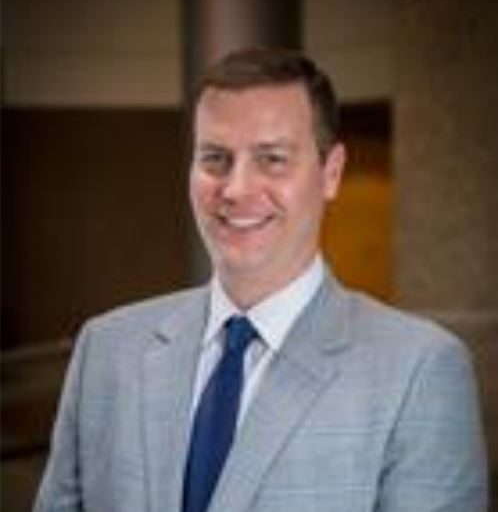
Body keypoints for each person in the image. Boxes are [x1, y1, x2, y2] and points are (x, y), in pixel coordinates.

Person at [34, 48, 487, 512]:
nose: (235, 190)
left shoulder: (419, 373)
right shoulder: (107, 350)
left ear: (331, 173)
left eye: (272, 159)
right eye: (215, 158)